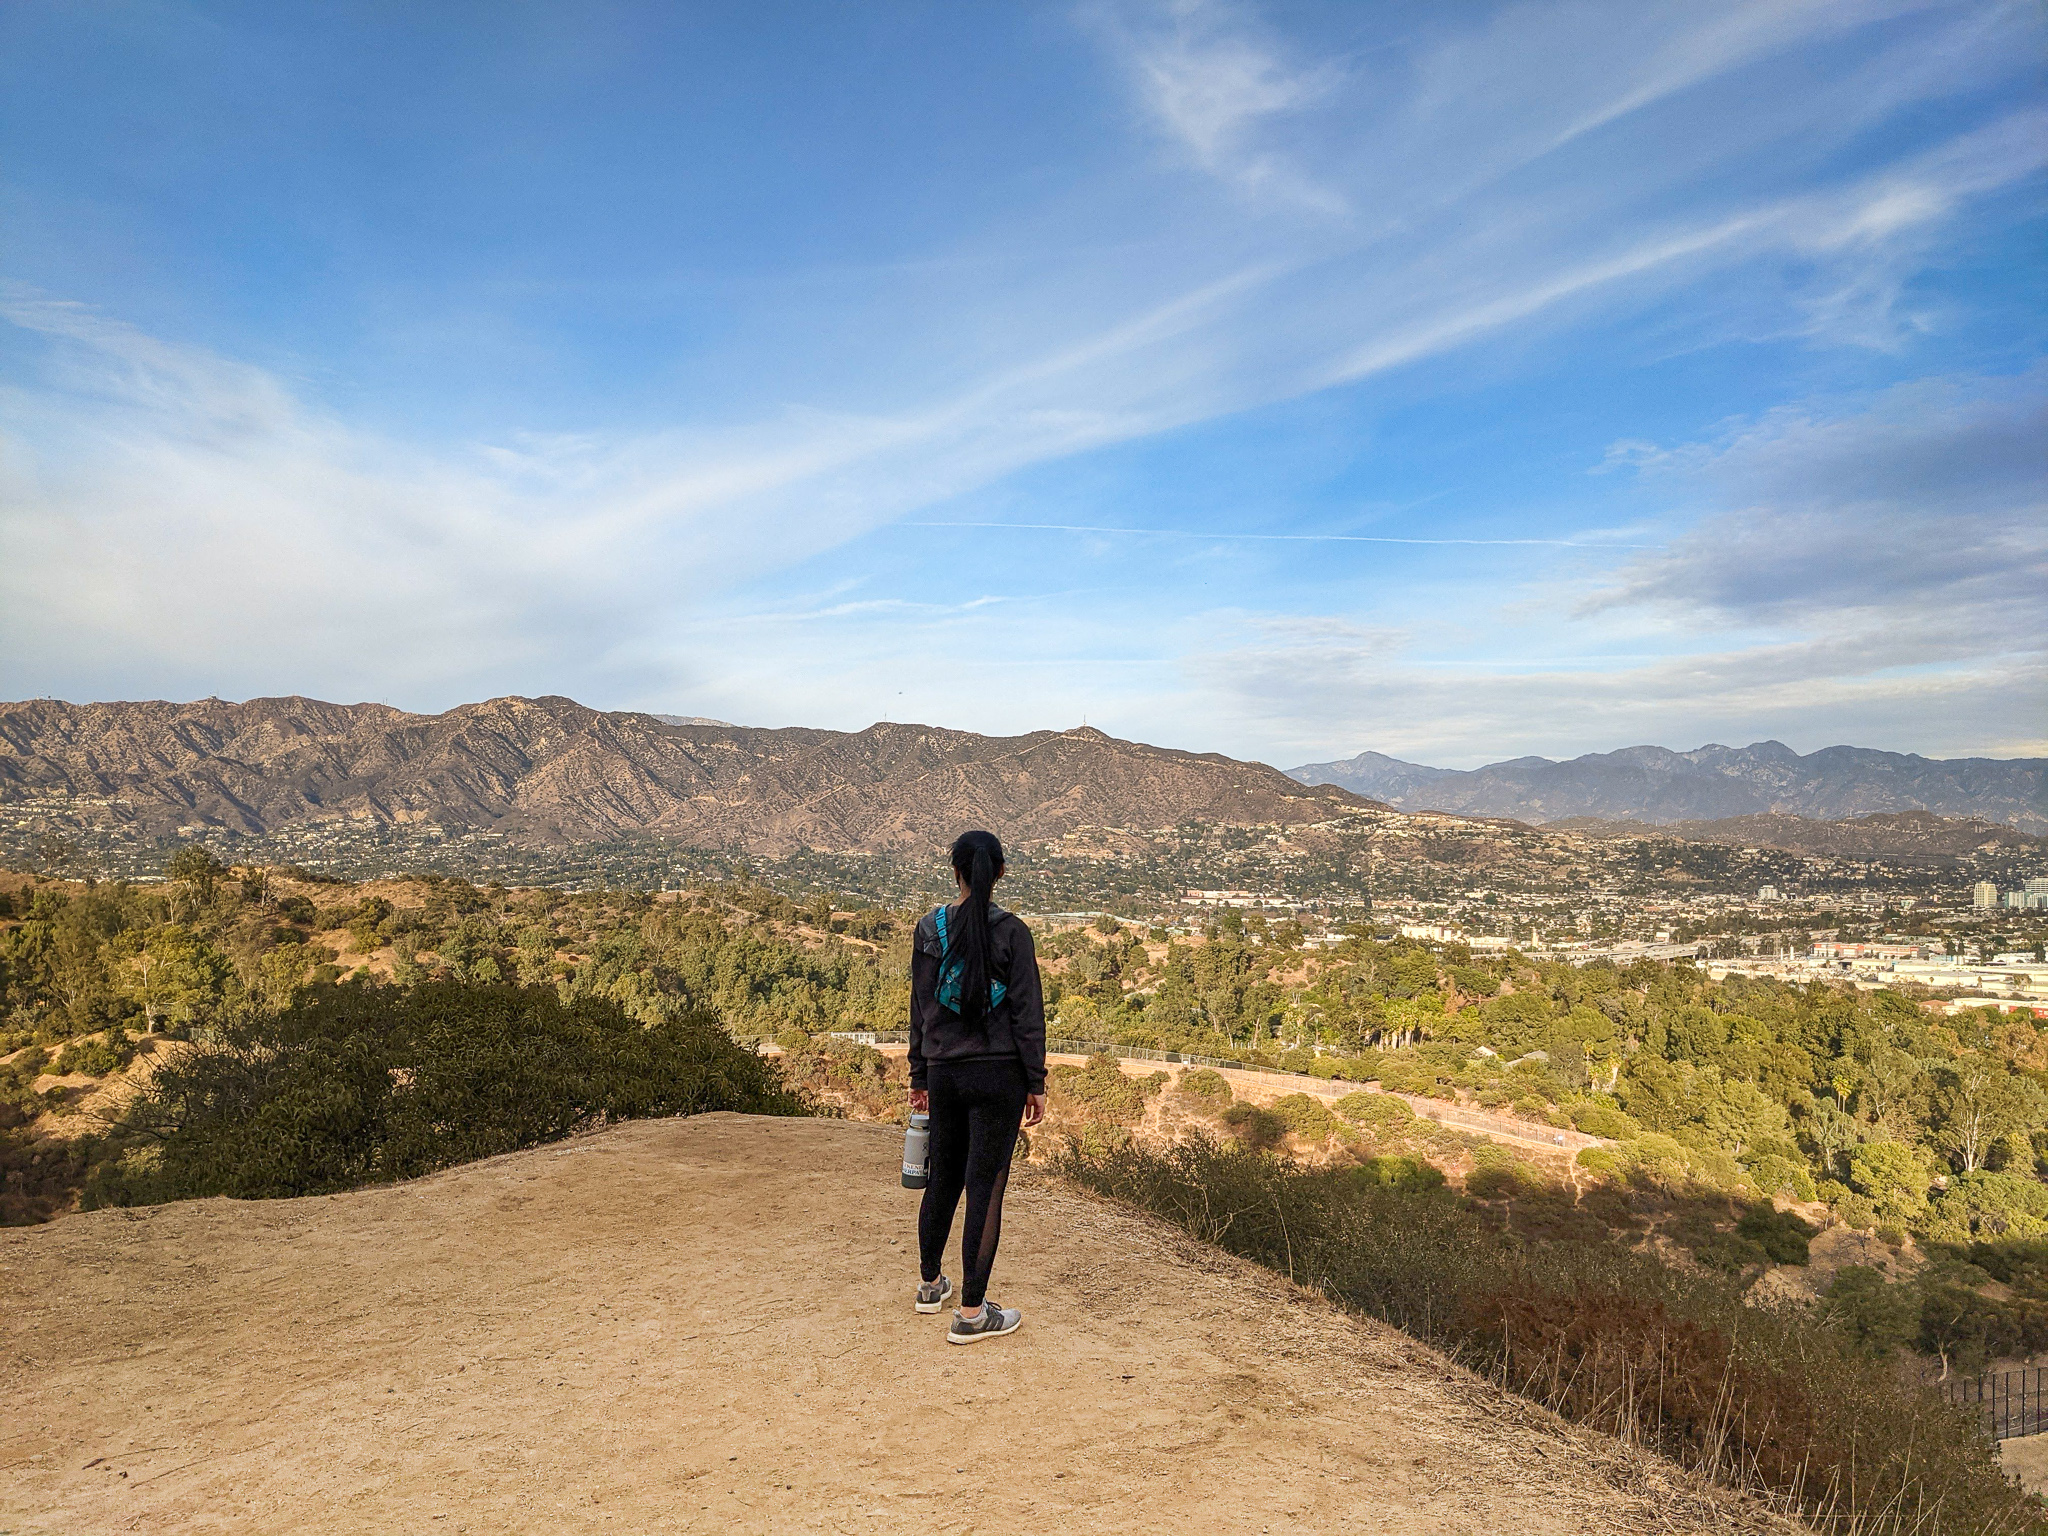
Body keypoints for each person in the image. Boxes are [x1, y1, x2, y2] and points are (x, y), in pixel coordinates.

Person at [907, 829, 1046, 1344]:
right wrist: (1036, 1081)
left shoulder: (929, 929)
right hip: (1000, 1075)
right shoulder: (1012, 931)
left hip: (945, 1072)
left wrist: (919, 1075)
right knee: (985, 1190)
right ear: (1000, 873)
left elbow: (920, 1009)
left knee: (942, 1176)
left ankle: (929, 1286)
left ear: (956, 871)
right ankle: (970, 1313)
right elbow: (1029, 1015)